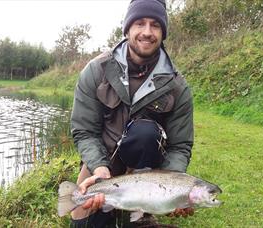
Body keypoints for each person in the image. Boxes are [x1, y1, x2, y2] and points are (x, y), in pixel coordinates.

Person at [70, 0, 194, 227]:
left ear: (163, 33)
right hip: (103, 164)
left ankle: (140, 215)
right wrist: (99, 168)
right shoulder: (96, 71)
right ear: (127, 28)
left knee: (145, 132)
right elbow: (84, 131)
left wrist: (173, 186)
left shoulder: (177, 86)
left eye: (155, 25)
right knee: (83, 225)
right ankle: (109, 206)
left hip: (148, 172)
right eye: (140, 23)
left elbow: (180, 146)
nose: (147, 32)